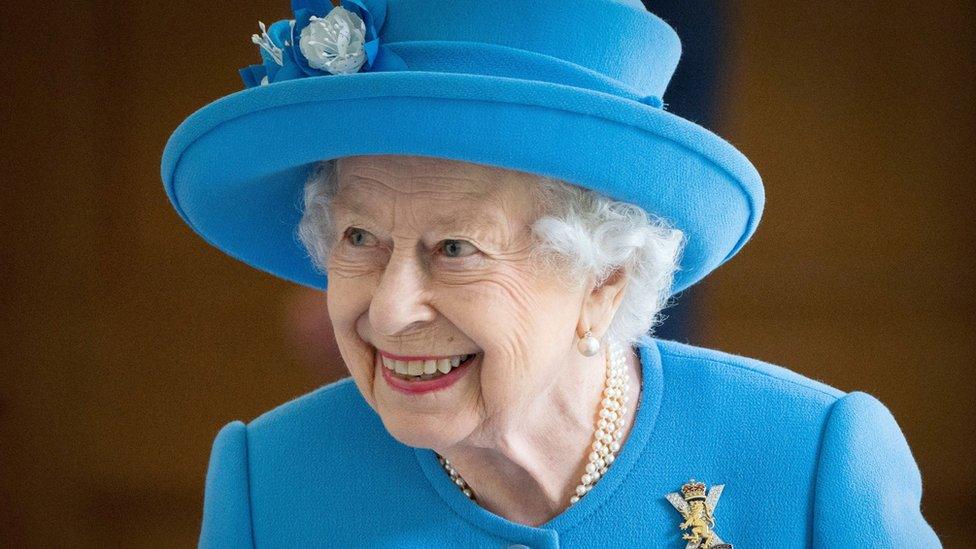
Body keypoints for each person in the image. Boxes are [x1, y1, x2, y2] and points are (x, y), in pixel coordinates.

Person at [160, 0, 941, 546]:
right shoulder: (274, 483)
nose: (391, 310)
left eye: (456, 249)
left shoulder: (811, 463)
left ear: (603, 280)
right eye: (360, 237)